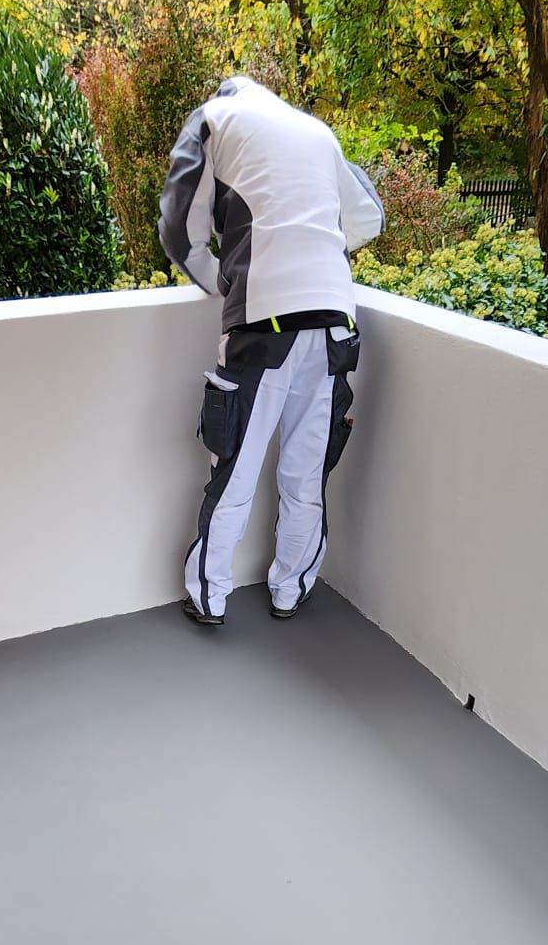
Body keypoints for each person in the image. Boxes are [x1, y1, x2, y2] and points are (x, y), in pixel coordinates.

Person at [159, 76, 384, 625]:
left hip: (265, 320)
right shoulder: (317, 132)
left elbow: (178, 228)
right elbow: (369, 218)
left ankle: (209, 597)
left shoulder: (213, 118)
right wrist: (311, 243)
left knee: (234, 465)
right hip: (335, 320)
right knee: (306, 472)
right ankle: (290, 590)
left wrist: (221, 278)